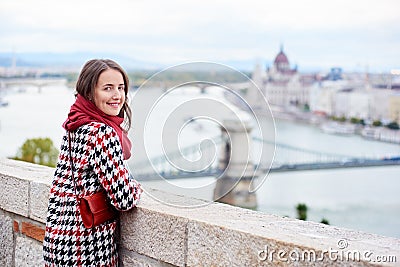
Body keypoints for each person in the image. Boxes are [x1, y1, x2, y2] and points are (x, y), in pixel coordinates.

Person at [43, 59, 142, 266]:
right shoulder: (102, 133)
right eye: (108, 88)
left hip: (59, 241)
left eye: (121, 88)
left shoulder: (75, 124)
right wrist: (136, 186)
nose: (117, 96)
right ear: (89, 92)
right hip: (87, 248)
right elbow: (124, 198)